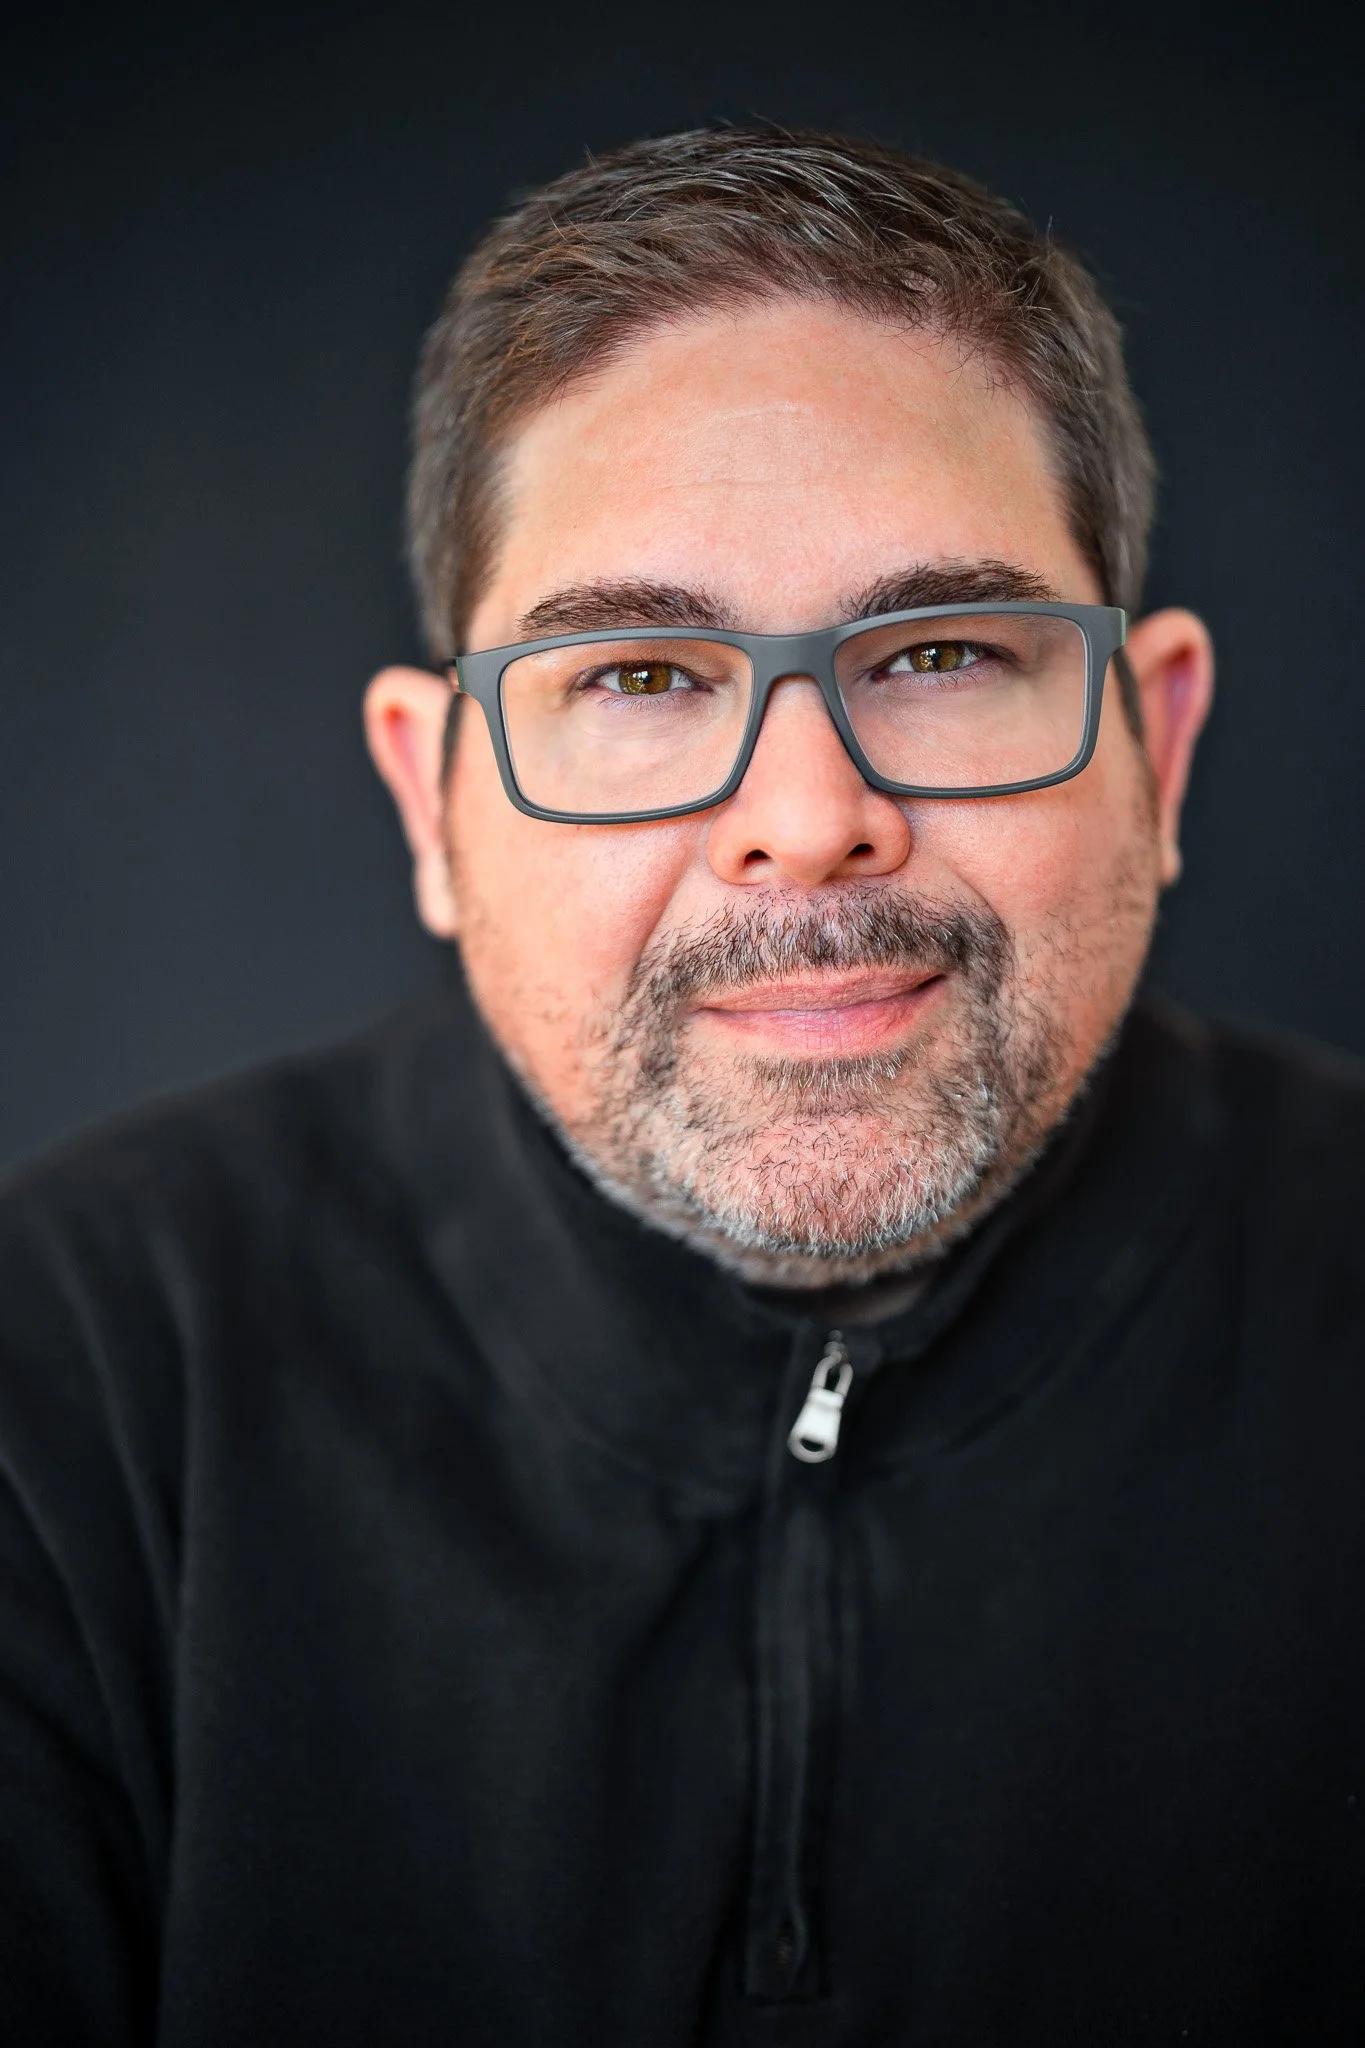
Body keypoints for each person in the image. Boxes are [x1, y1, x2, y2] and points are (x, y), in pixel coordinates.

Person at [2, 124, 1362, 2047]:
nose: (807, 825)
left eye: (947, 650)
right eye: (640, 678)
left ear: (1158, 747)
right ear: (432, 801)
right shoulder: (66, 1392)